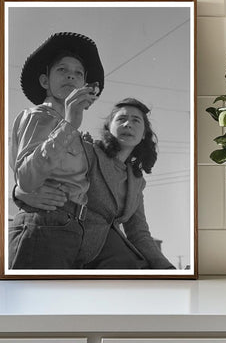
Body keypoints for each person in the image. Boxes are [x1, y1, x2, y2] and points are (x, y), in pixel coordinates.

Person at [15, 98, 176, 270]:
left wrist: (167, 268)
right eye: (121, 119)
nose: (128, 124)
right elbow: (42, 171)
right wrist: (18, 192)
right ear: (109, 127)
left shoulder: (137, 182)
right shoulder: (88, 151)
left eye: (136, 120)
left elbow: (139, 233)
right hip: (56, 242)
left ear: (144, 133)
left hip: (101, 257)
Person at [9, 32, 104, 269]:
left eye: (78, 73)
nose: (71, 74)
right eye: (62, 69)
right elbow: (26, 178)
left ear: (85, 86)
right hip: (43, 227)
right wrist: (69, 124)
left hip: (72, 231)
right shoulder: (38, 115)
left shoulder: (77, 134)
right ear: (44, 81)